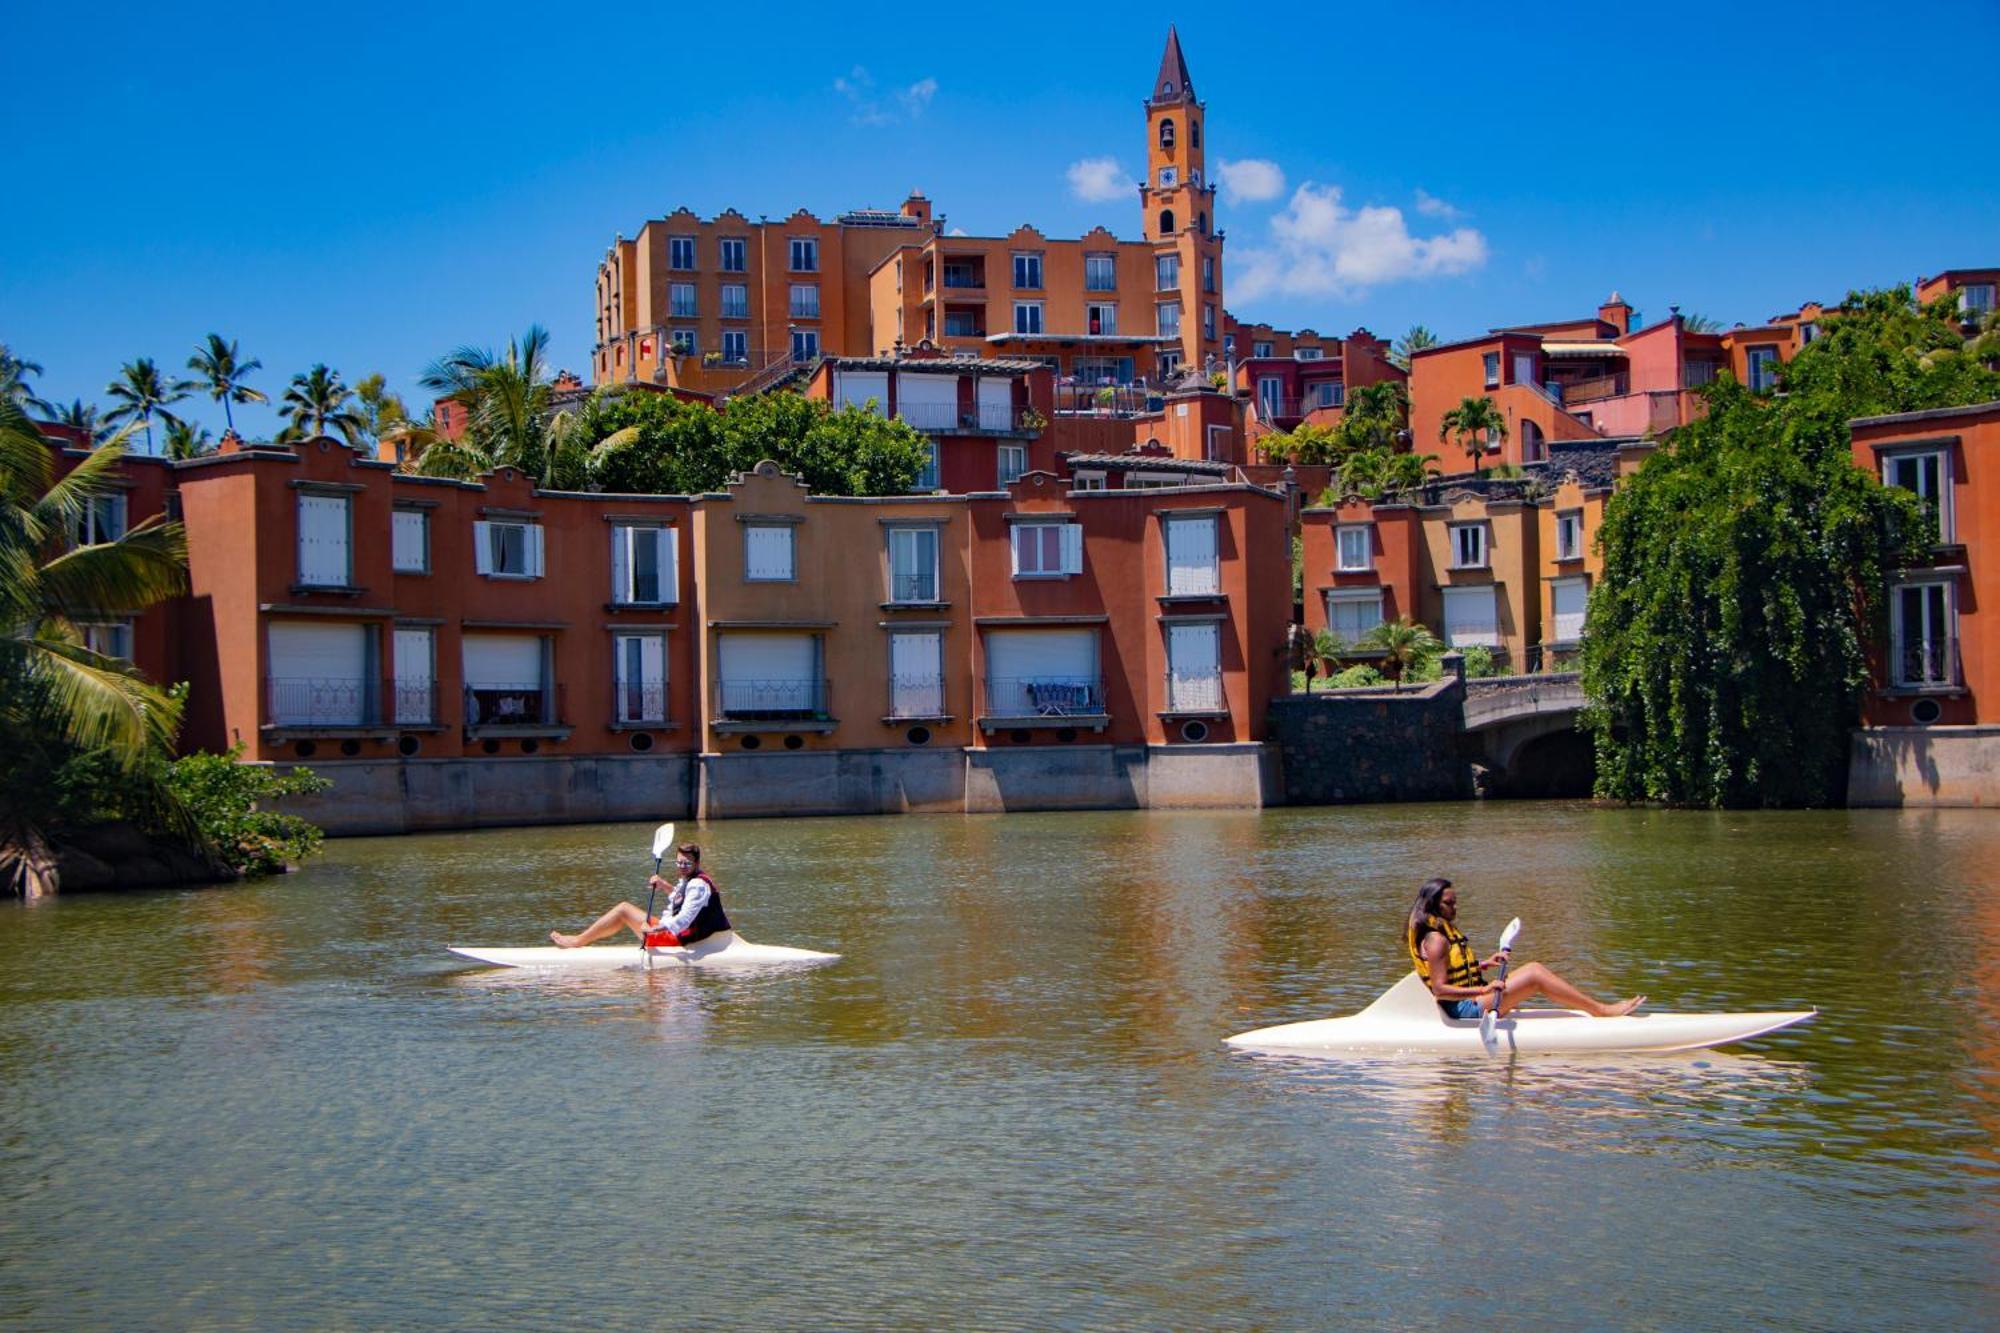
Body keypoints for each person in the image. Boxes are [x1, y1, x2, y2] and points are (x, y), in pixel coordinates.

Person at [1405, 876, 1643, 1020]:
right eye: (1448, 903)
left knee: (1533, 971)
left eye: (1455, 902)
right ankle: (1601, 1010)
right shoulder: (1436, 940)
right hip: (1462, 1010)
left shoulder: (1440, 934)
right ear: (1432, 905)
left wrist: (1482, 965)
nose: (1454, 908)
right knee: (1534, 974)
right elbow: (1440, 989)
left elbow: (1450, 970)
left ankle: (1596, 1008)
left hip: (1471, 1001)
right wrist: (1484, 989)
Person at [550, 843, 732, 949]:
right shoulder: (691, 880)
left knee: (623, 910)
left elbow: (684, 918)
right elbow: (682, 900)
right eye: (679, 862)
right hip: (678, 933)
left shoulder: (698, 885)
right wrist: (665, 886)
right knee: (624, 911)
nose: (682, 867)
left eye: (686, 863)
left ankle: (578, 941)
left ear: (697, 862)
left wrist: (654, 930)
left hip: (677, 937)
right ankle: (582, 940)